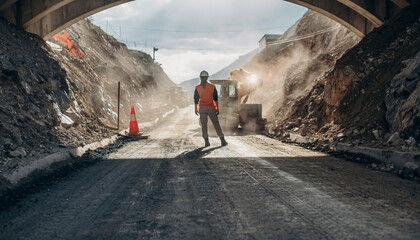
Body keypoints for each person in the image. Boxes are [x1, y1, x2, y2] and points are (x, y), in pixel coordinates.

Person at [194, 70, 228, 147]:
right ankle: (222, 140)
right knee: (216, 124)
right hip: (211, 107)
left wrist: (196, 109)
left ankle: (207, 142)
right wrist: (217, 108)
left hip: (202, 108)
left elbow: (196, 99)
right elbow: (215, 98)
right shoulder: (212, 87)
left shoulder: (197, 87)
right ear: (207, 77)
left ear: (200, 77)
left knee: (204, 125)